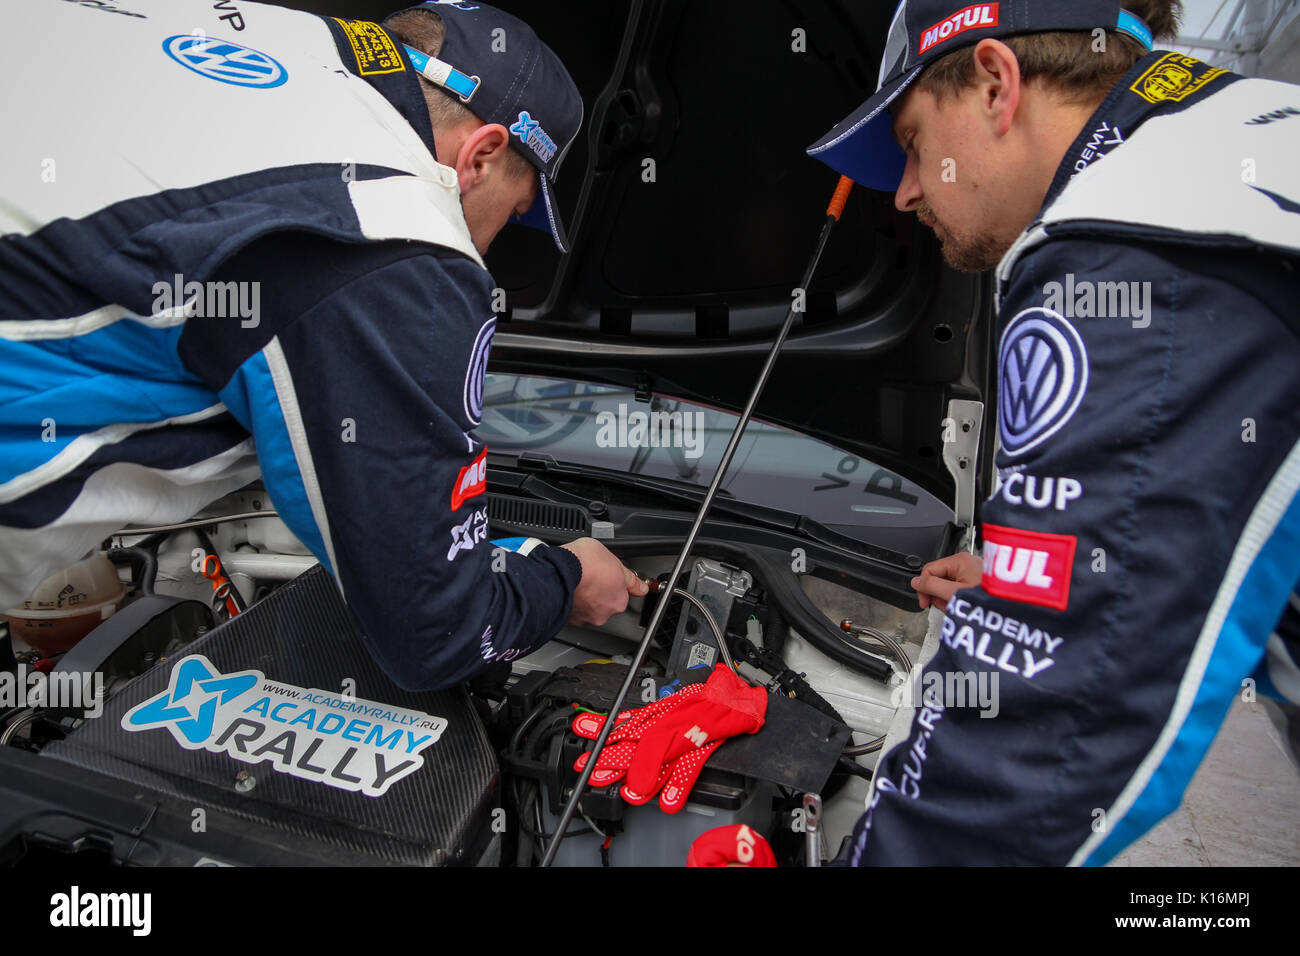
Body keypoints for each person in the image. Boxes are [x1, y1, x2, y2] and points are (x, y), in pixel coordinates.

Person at [0, 0, 645, 690]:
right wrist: (563, 578)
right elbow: (435, 634)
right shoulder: (388, 233)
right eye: (512, 218)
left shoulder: (236, 35)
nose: (487, 250)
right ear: (482, 155)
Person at [808, 0, 1300, 864]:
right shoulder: (1228, 149)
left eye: (915, 142)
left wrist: (1039, 619)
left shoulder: (1149, 232)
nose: (909, 189)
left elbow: (1039, 751)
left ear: (997, 83)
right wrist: (1037, 576)